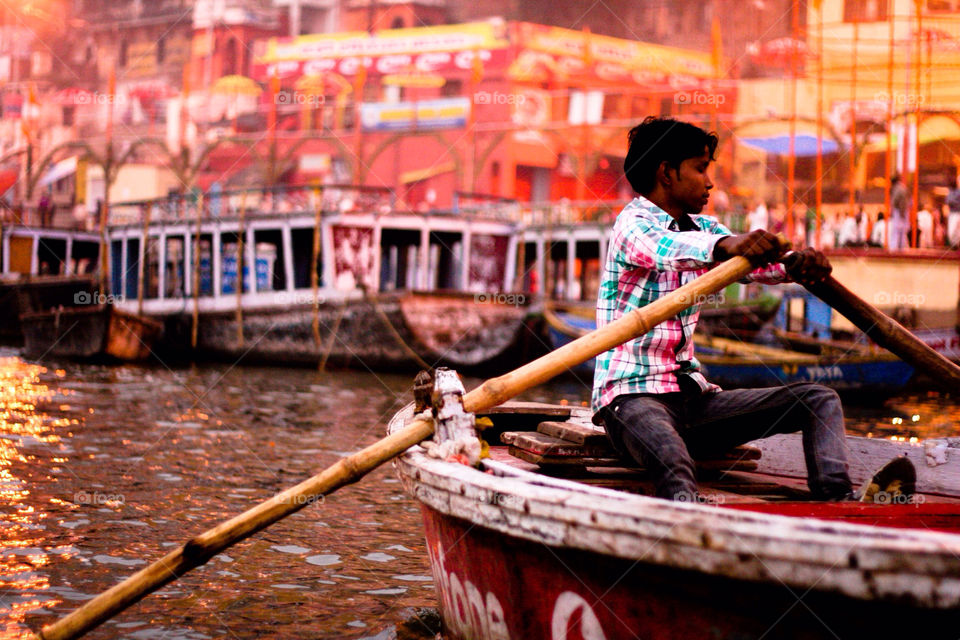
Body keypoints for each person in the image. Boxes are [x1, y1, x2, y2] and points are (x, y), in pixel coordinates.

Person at [592, 116, 854, 502]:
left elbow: (759, 264)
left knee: (819, 399)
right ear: (666, 173)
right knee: (672, 459)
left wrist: (798, 265)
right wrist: (724, 247)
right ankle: (688, 534)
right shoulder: (631, 225)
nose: (709, 182)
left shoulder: (703, 227)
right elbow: (666, 250)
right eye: (700, 169)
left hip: (691, 400)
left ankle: (836, 503)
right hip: (629, 399)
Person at [890, 175, 908, 250]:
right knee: (902, 231)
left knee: (896, 230)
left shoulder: (897, 188)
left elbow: (895, 202)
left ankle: (895, 247)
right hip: (902, 211)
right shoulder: (903, 187)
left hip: (899, 211)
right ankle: (902, 246)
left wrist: (900, 212)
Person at [947, 173, 960, 249]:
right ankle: (955, 245)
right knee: (952, 232)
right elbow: (949, 201)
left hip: (957, 213)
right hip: (953, 213)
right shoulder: (952, 191)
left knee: (957, 231)